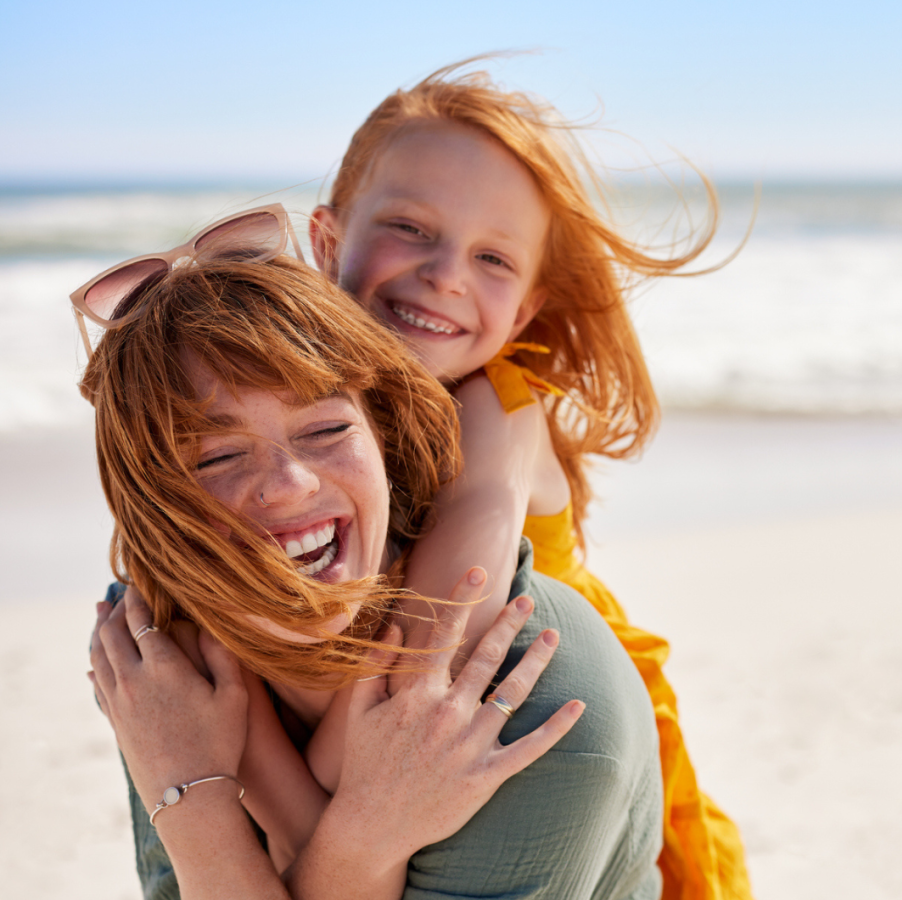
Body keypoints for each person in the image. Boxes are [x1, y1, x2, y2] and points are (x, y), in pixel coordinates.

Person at [76, 218, 663, 899]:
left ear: (382, 437)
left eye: (326, 428)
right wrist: (344, 833)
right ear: (152, 503)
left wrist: (201, 807)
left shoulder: (534, 706)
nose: (290, 483)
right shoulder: (160, 680)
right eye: (218, 456)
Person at [306, 61, 753, 900]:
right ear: (328, 239)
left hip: (565, 744)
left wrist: (318, 775)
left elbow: (451, 614)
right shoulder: (307, 407)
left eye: (492, 258)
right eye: (410, 225)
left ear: (525, 313)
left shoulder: (499, 407)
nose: (446, 274)